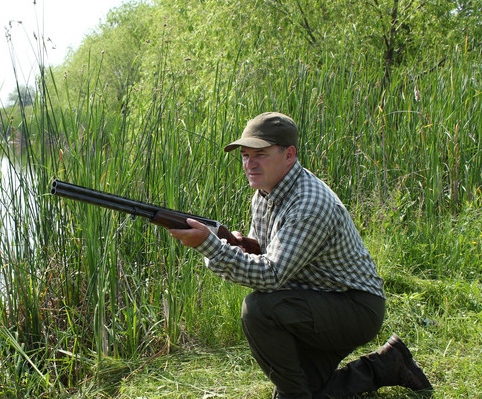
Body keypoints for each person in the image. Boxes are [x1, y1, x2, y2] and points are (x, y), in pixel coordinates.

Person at [168, 112, 433, 398]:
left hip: (354, 306)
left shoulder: (308, 203)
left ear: (289, 154)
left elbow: (271, 276)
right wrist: (243, 243)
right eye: (245, 155)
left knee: (258, 310)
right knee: (307, 391)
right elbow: (270, 252)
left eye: (260, 154)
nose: (249, 164)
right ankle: (388, 364)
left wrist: (208, 244)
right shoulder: (264, 194)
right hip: (313, 301)